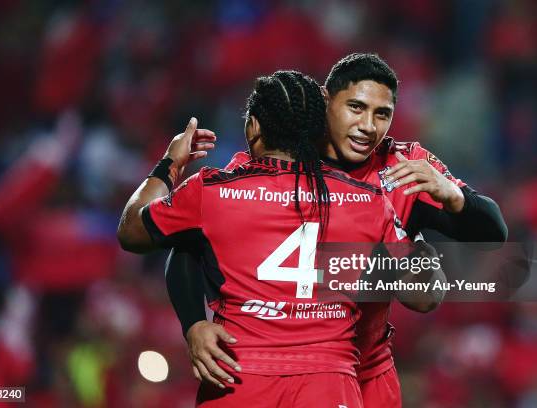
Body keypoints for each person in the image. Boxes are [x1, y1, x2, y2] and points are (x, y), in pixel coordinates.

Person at [169, 54, 507, 407]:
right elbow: (189, 247)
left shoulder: (403, 168)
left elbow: (492, 233)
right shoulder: (279, 155)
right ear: (326, 100)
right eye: (356, 107)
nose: (368, 126)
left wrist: (453, 195)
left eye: (382, 114)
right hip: (269, 369)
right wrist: (193, 323)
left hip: (366, 371)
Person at [117, 70, 423, 407]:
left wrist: (170, 164)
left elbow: (131, 231)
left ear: (254, 127)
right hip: (328, 384)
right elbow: (423, 297)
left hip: (237, 375)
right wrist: (410, 224)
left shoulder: (212, 191)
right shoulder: (368, 201)